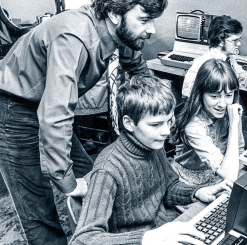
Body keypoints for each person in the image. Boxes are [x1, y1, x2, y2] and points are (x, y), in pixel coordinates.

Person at [0, 0, 167, 244]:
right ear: (113, 13)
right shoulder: (73, 35)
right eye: (144, 20)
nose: (152, 29)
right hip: (13, 105)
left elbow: (136, 66)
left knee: (93, 178)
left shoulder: (122, 33)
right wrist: (66, 183)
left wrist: (158, 104)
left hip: (43, 104)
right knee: (36, 201)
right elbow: (56, 114)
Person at [70, 74, 231, 245]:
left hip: (162, 230)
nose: (166, 131)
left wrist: (197, 192)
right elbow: (83, 239)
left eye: (169, 121)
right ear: (129, 123)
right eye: (156, 124)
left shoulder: (153, 145)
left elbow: (168, 187)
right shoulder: (108, 169)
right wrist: (147, 238)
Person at [171, 59, 245, 186]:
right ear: (201, 94)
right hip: (191, 180)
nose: (222, 104)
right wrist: (233, 126)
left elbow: (239, 149)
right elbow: (229, 177)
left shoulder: (231, 111)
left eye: (228, 95)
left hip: (223, 172)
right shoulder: (193, 126)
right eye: (214, 96)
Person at [181, 15, 247, 99]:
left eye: (239, 40)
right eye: (235, 41)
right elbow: (186, 91)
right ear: (220, 41)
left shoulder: (229, 59)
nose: (239, 44)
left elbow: (246, 77)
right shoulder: (203, 62)